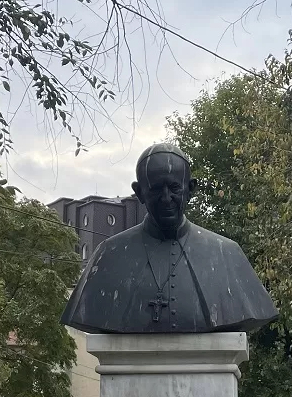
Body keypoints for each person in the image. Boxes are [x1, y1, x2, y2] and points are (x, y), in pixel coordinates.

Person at [61, 143, 277, 335]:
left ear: (190, 189)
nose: (166, 199)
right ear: (139, 192)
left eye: (174, 188)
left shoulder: (226, 254)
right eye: (156, 189)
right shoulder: (108, 256)